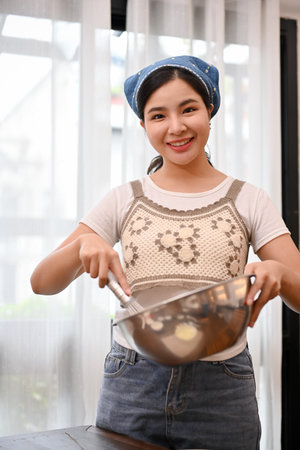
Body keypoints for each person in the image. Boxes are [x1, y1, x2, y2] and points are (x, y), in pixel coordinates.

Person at [31, 55, 300, 449]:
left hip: (223, 387)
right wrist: (82, 246)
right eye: (158, 116)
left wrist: (279, 270)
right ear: (143, 125)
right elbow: (41, 283)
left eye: (188, 109)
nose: (175, 127)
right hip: (132, 381)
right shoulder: (125, 198)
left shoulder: (249, 199)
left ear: (209, 110)